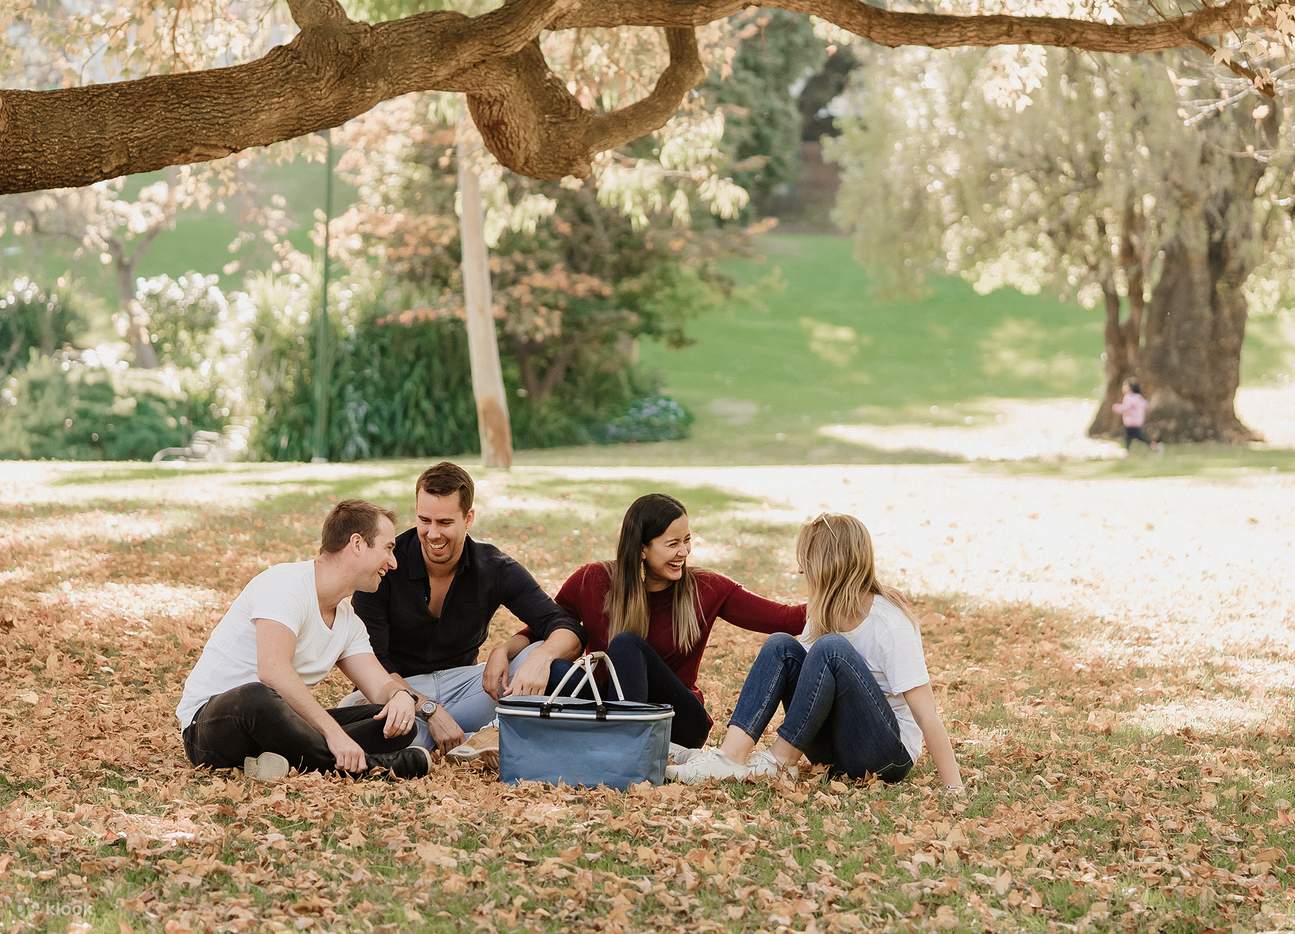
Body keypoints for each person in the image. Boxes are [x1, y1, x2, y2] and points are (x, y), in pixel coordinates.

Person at [668, 513, 963, 792]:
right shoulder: (823, 613)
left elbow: (927, 716)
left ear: (827, 565)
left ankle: (780, 762)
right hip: (833, 754)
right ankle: (729, 757)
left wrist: (954, 788)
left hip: (886, 756)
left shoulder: (889, 623)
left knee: (830, 648)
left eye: (806, 561)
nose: (800, 570)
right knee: (781, 645)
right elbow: (808, 684)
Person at [523, 493, 806, 750]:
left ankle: (622, 747)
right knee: (555, 671)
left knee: (626, 645)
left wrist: (843, 587)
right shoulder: (593, 580)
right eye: (673, 544)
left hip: (679, 721)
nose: (684, 552)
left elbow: (786, 618)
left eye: (687, 540)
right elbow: (540, 628)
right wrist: (505, 653)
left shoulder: (706, 588)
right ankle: (606, 738)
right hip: (606, 704)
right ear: (642, 549)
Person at [177, 500, 432, 781]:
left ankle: (283, 760)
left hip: (282, 728)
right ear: (357, 543)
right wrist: (333, 734)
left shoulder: (348, 621)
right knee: (257, 696)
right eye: (388, 548)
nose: (393, 563)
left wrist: (400, 698)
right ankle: (370, 767)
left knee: (395, 723)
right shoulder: (286, 584)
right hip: (213, 725)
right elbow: (272, 671)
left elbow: (380, 685)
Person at [345, 462, 585, 761]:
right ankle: (476, 737)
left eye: (445, 522)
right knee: (356, 716)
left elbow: (565, 625)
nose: (432, 534)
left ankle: (464, 738)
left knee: (537, 652)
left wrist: (533, 655)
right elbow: (372, 661)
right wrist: (428, 709)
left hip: (465, 687)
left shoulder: (493, 566)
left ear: (468, 518)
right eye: (424, 520)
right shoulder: (385, 564)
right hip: (397, 690)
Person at [1113, 379, 1160, 452]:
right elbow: (1145, 405)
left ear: (1130, 388)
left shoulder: (1129, 397)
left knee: (1137, 436)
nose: (1123, 387)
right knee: (1130, 436)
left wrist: (1117, 407)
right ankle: (1128, 450)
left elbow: (1126, 407)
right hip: (1136, 421)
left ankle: (1152, 445)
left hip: (1131, 422)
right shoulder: (1138, 397)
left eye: (1125, 385)